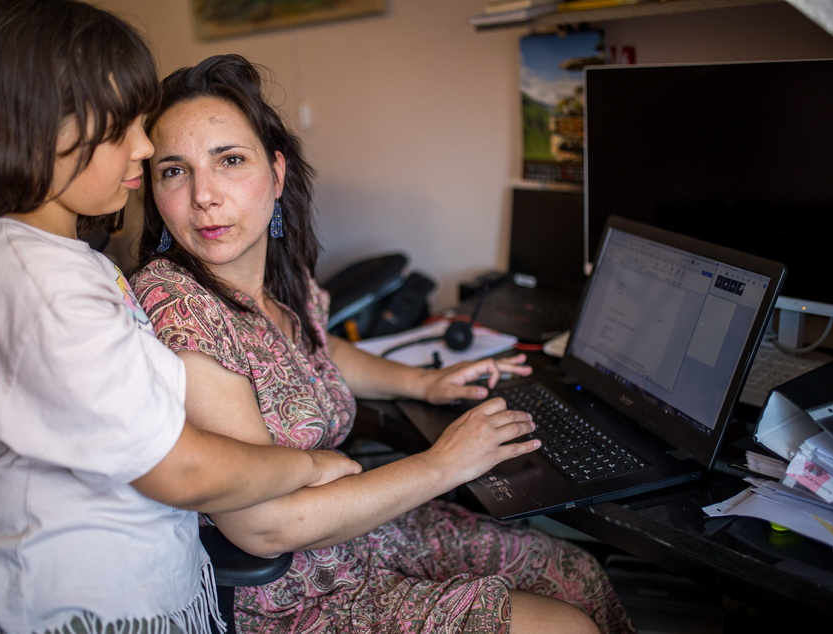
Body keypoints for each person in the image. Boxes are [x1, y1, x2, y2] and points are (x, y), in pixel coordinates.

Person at [129, 54, 635, 634]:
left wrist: (423, 381)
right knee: (564, 626)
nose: (204, 196)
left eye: (230, 161)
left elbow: (322, 349)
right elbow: (261, 527)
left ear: (277, 174)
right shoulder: (178, 303)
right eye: (175, 171)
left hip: (370, 533)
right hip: (299, 595)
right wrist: (444, 463)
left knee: (577, 575)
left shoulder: (274, 276)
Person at [0, 3, 363, 633]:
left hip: (139, 594)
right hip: (75, 613)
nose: (143, 146)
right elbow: (181, 470)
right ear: (35, 126)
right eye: (121, 128)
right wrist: (309, 465)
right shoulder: (40, 280)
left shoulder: (62, 262)